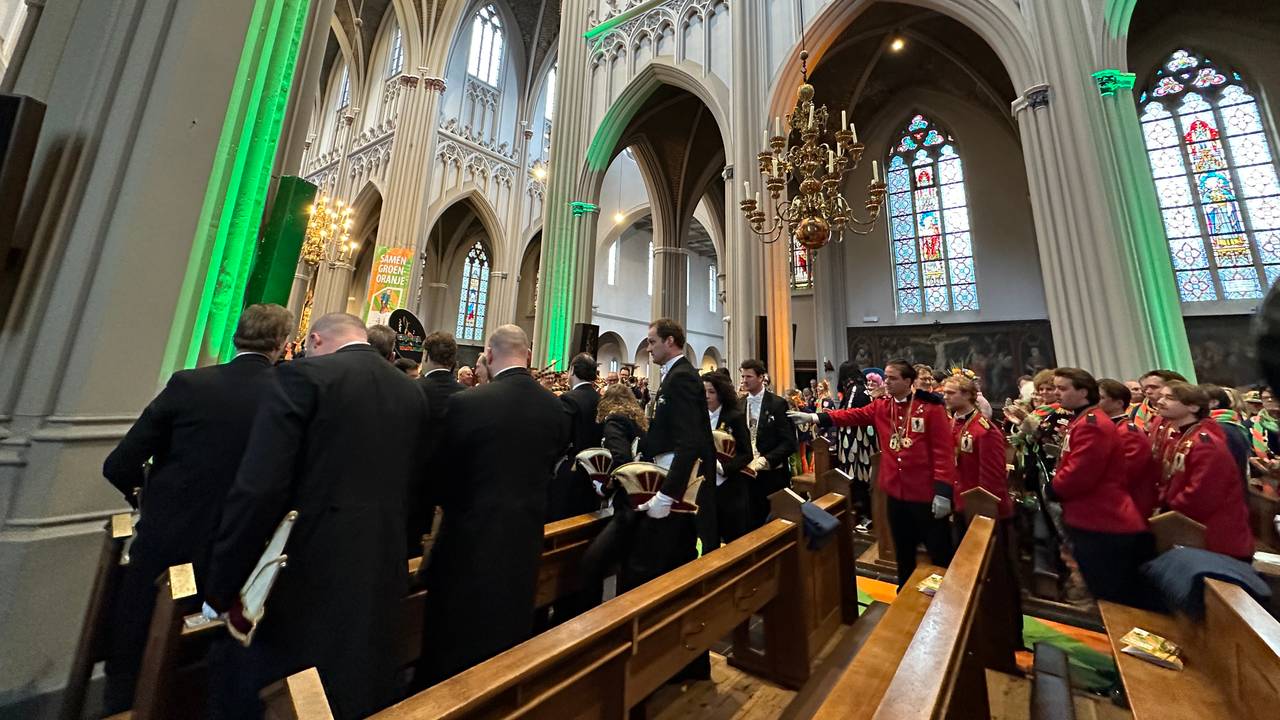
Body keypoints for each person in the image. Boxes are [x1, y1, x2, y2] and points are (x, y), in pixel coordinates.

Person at [203, 313, 430, 720]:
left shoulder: (304, 377)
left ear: (316, 339)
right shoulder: (411, 392)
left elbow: (259, 488)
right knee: (353, 690)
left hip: (306, 576)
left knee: (277, 690)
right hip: (379, 573)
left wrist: (223, 584)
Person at [100, 303, 292, 713]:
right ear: (281, 344)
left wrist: (149, 501)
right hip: (238, 556)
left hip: (167, 547)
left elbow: (119, 465)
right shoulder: (287, 395)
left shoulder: (189, 384)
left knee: (138, 657)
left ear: (236, 335)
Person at [416, 325, 569, 685]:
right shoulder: (553, 408)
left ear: (488, 354)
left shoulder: (468, 403)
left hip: (468, 543)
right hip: (524, 542)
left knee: (454, 647)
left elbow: (440, 477)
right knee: (508, 639)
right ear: (529, 355)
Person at [790, 360, 956, 588]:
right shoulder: (882, 406)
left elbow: (943, 452)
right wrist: (816, 418)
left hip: (925, 493)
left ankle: (944, 600)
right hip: (896, 492)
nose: (886, 382)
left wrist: (943, 491)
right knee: (903, 548)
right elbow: (852, 416)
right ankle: (904, 591)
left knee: (938, 550)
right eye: (886, 377)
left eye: (892, 378)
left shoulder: (930, 408)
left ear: (908, 381)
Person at [630, 318, 715, 678]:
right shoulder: (675, 375)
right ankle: (682, 660)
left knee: (670, 568)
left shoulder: (681, 377)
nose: (648, 349)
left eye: (652, 342)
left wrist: (667, 494)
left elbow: (691, 441)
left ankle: (678, 660)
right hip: (672, 477)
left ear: (670, 341)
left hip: (678, 488)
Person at [1047, 368, 1149, 604]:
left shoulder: (1091, 424)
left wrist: (1054, 489)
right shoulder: (1084, 419)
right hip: (1090, 515)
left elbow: (1081, 473)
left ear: (1083, 392)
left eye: (1063, 388)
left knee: (1110, 593)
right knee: (1098, 585)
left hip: (1102, 518)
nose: (1056, 393)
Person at [564, 384, 648, 619]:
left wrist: (606, 485)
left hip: (625, 503)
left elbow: (621, 460)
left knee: (591, 564)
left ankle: (590, 620)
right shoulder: (637, 422)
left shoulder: (614, 421)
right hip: (639, 501)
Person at [1157, 382, 1254, 560]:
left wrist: (1170, 510)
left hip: (1214, 535)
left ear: (1193, 406)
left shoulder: (1205, 442)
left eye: (1170, 398)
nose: (1160, 401)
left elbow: (1202, 493)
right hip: (1192, 527)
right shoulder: (1182, 436)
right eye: (1161, 396)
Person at [411, 332, 467, 546]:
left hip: (415, 488)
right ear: (453, 360)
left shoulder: (412, 389)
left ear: (425, 356)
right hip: (452, 491)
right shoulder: (467, 395)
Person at [940, 374, 1011, 521]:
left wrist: (983, 507)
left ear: (967, 395)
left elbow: (992, 476)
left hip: (977, 503)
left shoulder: (984, 429)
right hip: (957, 497)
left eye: (951, 393)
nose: (945, 397)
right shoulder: (952, 422)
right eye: (944, 393)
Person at [740, 359, 798, 530]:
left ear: (761, 377)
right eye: (742, 376)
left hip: (772, 475)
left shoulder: (777, 404)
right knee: (751, 523)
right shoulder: (740, 404)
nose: (744, 380)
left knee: (774, 525)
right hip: (747, 475)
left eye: (748, 376)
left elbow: (789, 443)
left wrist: (766, 460)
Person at [549, 353, 603, 520]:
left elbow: (561, 437)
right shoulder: (600, 398)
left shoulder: (569, 399)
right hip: (595, 470)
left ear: (572, 370)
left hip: (572, 470)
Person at [704, 370, 753, 545]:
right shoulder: (699, 417)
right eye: (704, 392)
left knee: (734, 538)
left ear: (721, 393)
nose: (707, 396)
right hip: (707, 487)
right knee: (710, 538)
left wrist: (724, 468)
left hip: (730, 487)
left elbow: (746, 453)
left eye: (711, 392)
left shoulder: (734, 417)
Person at [1098, 379, 1159, 519]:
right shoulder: (1108, 427)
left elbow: (1126, 472)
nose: (1094, 402)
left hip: (1127, 504)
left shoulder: (1127, 431)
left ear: (1119, 403)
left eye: (1101, 398)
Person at [834, 362, 876, 522]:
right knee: (863, 478)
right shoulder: (864, 388)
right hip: (865, 441)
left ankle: (863, 514)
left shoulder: (854, 390)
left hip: (855, 443)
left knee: (856, 478)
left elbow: (848, 415)